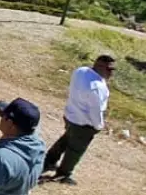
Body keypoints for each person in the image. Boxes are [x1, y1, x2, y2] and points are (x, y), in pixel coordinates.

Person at [42, 55, 115, 185]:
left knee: (66, 139)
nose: (112, 73)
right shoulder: (97, 87)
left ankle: (49, 161)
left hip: (70, 116)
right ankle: (63, 174)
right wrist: (98, 126)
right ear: (99, 66)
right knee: (75, 150)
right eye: (109, 69)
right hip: (84, 124)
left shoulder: (81, 71)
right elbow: (95, 111)